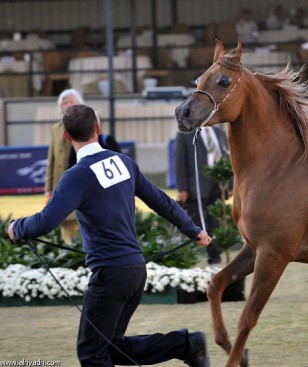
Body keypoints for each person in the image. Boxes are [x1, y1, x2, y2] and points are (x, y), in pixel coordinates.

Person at [8, 104, 212, 367]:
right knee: (112, 347)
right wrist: (193, 230)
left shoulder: (76, 176)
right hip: (135, 271)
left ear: (66, 137)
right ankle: (187, 345)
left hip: (109, 275)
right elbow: (161, 201)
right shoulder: (124, 162)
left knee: (92, 354)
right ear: (98, 129)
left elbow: (47, 221)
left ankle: (188, 345)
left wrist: (17, 228)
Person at [174, 126, 228, 265]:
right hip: (196, 187)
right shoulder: (185, 134)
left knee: (216, 222)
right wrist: (182, 188)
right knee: (196, 222)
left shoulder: (220, 133)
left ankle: (215, 255)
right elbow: (179, 162)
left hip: (218, 186)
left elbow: (228, 157)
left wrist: (231, 182)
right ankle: (192, 255)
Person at [46, 89, 85, 243]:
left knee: (77, 219)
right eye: (65, 103)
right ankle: (69, 253)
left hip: (78, 181)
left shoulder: (85, 125)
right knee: (63, 219)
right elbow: (52, 159)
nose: (68, 105)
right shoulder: (55, 129)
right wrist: (48, 188)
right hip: (59, 182)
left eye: (72, 102)